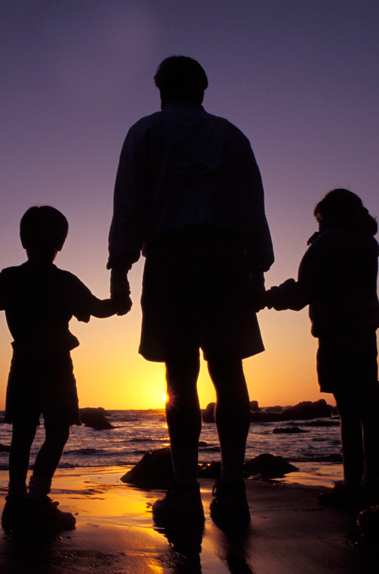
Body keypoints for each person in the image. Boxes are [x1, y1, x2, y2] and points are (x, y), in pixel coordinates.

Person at [107, 56, 274, 527]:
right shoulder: (230, 135)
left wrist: (120, 267)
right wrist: (257, 266)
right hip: (226, 259)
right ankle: (233, 484)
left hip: (171, 257)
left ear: (160, 88)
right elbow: (252, 204)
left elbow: (129, 204)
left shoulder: (145, 132)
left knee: (179, 378)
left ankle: (183, 487)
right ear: (203, 88)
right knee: (229, 372)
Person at [0, 206, 129, 532]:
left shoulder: (12, 278)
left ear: (23, 239)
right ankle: (35, 498)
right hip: (56, 366)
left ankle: (15, 502)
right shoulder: (64, 281)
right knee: (57, 432)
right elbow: (98, 308)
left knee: (22, 434)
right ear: (60, 243)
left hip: (22, 364)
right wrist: (118, 304)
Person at [264, 189, 379, 509]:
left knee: (348, 413)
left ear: (326, 217)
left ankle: (353, 483)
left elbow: (302, 294)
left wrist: (269, 297)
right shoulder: (369, 245)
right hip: (366, 336)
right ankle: (373, 480)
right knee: (370, 411)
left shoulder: (325, 245)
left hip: (334, 337)